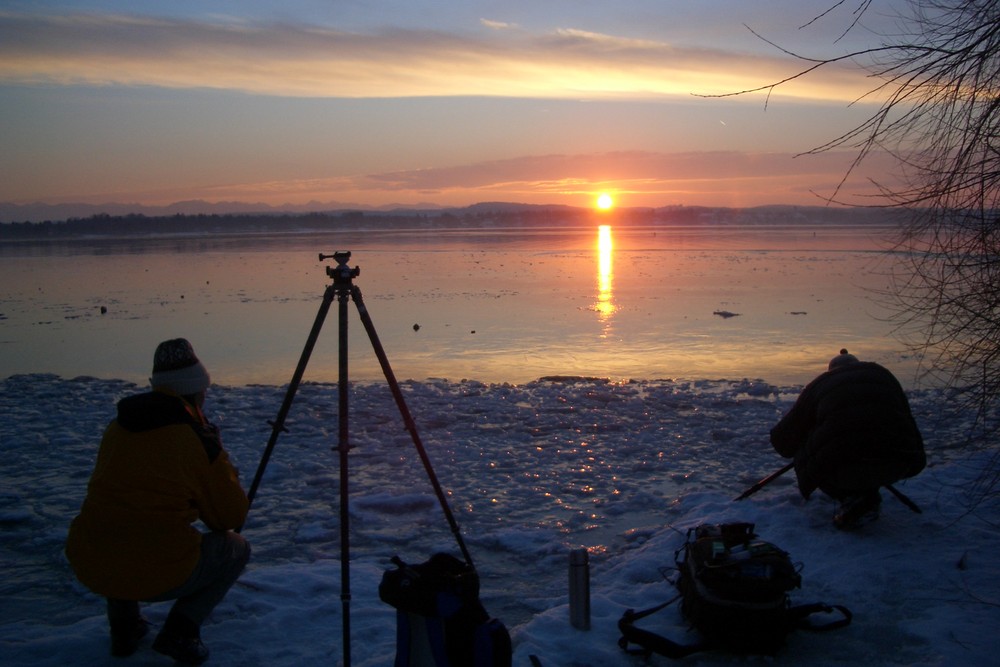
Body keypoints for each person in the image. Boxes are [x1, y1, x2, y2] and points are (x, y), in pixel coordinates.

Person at [66, 339, 250, 664]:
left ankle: (124, 628)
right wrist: (217, 456)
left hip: (92, 560)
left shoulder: (119, 427)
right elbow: (228, 517)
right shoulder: (193, 438)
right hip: (154, 570)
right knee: (234, 547)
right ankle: (181, 630)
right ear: (195, 392)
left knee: (121, 523)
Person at [770, 349, 926, 529]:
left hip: (845, 470)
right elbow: (908, 422)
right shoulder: (884, 376)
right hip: (896, 463)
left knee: (806, 449)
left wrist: (812, 434)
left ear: (831, 370)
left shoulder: (821, 384)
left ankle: (851, 496)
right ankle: (867, 492)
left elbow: (783, 441)